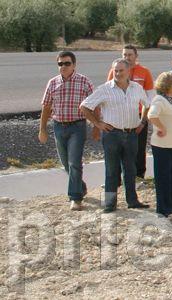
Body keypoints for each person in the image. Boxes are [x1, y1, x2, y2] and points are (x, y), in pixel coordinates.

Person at [80, 58, 151, 213]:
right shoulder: (105, 89)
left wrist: (142, 122)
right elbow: (85, 106)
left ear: (128, 71)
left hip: (132, 134)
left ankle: (132, 201)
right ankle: (110, 204)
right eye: (115, 70)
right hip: (112, 134)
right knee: (111, 170)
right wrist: (98, 124)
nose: (118, 73)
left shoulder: (137, 88)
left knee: (130, 169)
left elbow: (147, 104)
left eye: (121, 70)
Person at [38, 51, 94, 211]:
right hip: (58, 126)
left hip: (77, 126)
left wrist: (96, 126)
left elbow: (95, 105)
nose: (63, 66)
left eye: (67, 63)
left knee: (74, 162)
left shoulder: (84, 82)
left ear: (74, 65)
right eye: (60, 64)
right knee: (66, 164)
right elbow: (46, 107)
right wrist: (42, 129)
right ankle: (80, 187)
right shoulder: (53, 83)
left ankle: (75, 198)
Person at [105, 44, 154, 179]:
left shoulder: (144, 72)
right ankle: (118, 178)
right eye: (124, 55)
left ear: (136, 56)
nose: (127, 57)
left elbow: (150, 97)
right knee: (118, 148)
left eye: (130, 55)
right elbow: (108, 92)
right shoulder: (114, 71)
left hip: (138, 116)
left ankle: (139, 176)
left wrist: (143, 121)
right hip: (118, 116)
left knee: (138, 148)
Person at [147, 72, 172, 220]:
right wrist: (161, 128)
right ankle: (163, 207)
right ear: (167, 86)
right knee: (163, 177)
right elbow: (152, 115)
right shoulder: (159, 100)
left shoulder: (168, 100)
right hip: (163, 146)